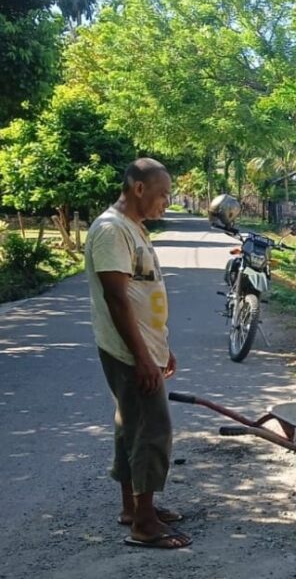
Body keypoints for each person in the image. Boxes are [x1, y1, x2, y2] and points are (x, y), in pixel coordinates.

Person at [84, 157, 191, 549]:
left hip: (144, 349)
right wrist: (144, 357)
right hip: (130, 353)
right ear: (139, 189)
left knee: (130, 425)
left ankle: (133, 507)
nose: (167, 201)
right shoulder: (112, 231)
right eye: (163, 194)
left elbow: (142, 294)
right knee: (152, 429)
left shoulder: (135, 229)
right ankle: (144, 524)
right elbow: (117, 299)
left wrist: (162, 348)